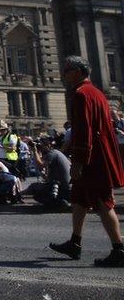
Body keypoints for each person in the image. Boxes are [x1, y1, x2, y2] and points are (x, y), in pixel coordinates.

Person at [48, 56, 124, 267]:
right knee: (79, 199)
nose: (64, 75)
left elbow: (83, 132)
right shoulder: (97, 93)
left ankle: (119, 248)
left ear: (78, 72)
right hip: (98, 154)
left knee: (103, 202)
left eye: (67, 71)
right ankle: (75, 242)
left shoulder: (81, 95)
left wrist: (78, 163)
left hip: (93, 159)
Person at [25, 136, 71, 210]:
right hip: (67, 187)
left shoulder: (52, 153)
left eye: (41, 145)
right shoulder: (56, 153)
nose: (40, 147)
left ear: (48, 145)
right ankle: (59, 201)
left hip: (64, 188)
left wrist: (35, 151)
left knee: (36, 189)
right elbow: (46, 176)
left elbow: (40, 165)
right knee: (40, 187)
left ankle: (59, 202)